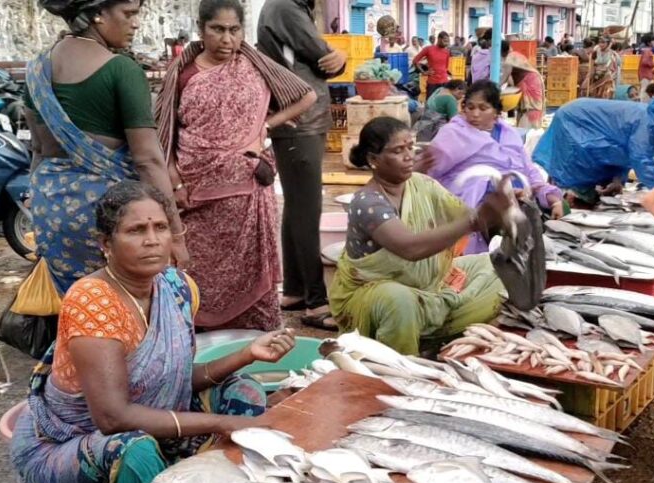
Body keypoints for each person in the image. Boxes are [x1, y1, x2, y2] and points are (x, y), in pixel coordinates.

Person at [10, 181, 296, 483]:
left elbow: (174, 379)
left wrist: (247, 354)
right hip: (70, 440)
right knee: (136, 451)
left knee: (244, 389)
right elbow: (113, 418)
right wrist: (222, 422)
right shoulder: (92, 300)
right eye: (136, 230)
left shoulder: (176, 286)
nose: (152, 240)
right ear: (106, 243)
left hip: (150, 423)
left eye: (160, 227)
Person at [155, 0, 315, 331]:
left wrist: (266, 126)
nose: (227, 39)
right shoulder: (183, 73)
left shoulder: (254, 64)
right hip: (197, 194)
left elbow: (306, 96)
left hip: (249, 193)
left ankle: (253, 341)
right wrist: (176, 183)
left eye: (234, 30)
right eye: (217, 29)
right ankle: (202, 340)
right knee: (198, 270)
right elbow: (164, 133)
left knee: (252, 268)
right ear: (201, 30)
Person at [25, 0, 188, 295]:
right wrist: (175, 234)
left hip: (51, 211)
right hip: (108, 215)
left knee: (77, 304)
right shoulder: (121, 70)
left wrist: (38, 212)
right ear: (98, 14)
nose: (135, 23)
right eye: (128, 13)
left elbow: (38, 148)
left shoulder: (36, 70)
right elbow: (148, 160)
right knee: (123, 305)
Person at [330, 117, 512, 355]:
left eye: (410, 147)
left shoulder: (422, 184)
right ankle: (400, 359)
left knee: (496, 264)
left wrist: (501, 211)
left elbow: (464, 215)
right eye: (398, 151)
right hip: (376, 294)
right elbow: (410, 248)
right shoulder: (367, 203)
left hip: (426, 283)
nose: (409, 156)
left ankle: (433, 336)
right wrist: (475, 221)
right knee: (398, 299)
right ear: (373, 159)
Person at [258, 0, 347, 330]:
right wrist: (340, 56)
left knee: (297, 207)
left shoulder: (289, 7)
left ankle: (295, 290)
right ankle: (315, 301)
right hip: (300, 119)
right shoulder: (285, 7)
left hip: (300, 119)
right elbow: (323, 57)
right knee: (307, 210)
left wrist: (338, 57)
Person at [426, 81, 564, 254]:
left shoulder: (508, 134)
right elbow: (430, 173)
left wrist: (552, 198)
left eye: (483, 108)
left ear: (497, 112)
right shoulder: (453, 133)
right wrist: (493, 188)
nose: (475, 114)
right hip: (471, 208)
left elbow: (528, 169)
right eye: (470, 107)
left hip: (515, 205)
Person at [531, 98, 654, 204]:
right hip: (575, 123)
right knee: (576, 177)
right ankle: (564, 208)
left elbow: (623, 152)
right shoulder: (648, 125)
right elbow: (641, 160)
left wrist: (618, 179)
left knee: (596, 184)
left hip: (582, 121)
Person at [500, 43, 546, 128]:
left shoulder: (510, 59)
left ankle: (531, 130)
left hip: (529, 82)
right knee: (525, 109)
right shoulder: (513, 55)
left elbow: (503, 79)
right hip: (531, 80)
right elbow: (509, 80)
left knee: (530, 108)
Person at [637, 33, 654, 101]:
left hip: (645, 74)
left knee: (646, 90)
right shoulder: (647, 51)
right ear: (649, 42)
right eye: (653, 40)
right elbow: (645, 62)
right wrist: (652, 64)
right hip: (645, 75)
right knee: (645, 91)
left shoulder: (646, 50)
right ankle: (643, 103)